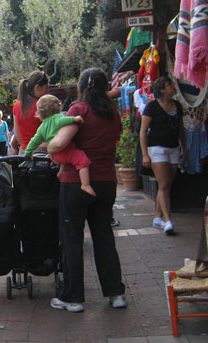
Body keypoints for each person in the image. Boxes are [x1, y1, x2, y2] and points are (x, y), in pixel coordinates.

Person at [47, 68, 126, 312]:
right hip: (106, 182)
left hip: (76, 183)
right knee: (104, 236)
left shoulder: (78, 110)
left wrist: (49, 145)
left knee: (71, 239)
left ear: (82, 87)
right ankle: (116, 294)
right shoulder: (113, 112)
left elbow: (60, 142)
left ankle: (73, 298)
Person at [139, 76, 187, 235]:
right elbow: (143, 131)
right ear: (162, 90)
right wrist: (145, 154)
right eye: (169, 85)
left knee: (165, 185)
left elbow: (181, 129)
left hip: (173, 147)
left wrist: (184, 149)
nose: (173, 87)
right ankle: (168, 220)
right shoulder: (152, 107)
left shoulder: (177, 106)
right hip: (157, 148)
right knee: (164, 184)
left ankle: (157, 217)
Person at [23, 94, 95, 196]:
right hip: (65, 151)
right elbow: (62, 120)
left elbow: (34, 141)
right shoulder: (57, 118)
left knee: (66, 159)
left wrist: (28, 152)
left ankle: (61, 172)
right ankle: (85, 184)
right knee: (82, 161)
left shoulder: (42, 127)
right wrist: (74, 119)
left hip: (55, 156)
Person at [11, 71, 50, 153]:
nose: (48, 91)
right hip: (42, 155)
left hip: (24, 154)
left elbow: (17, 134)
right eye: (46, 87)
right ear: (37, 87)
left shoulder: (17, 106)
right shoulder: (44, 105)